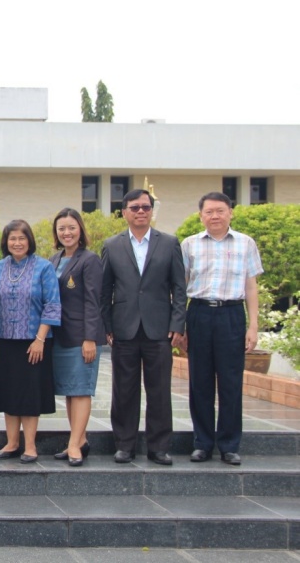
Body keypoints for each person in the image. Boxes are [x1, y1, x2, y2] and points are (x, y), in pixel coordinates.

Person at [101, 189, 186, 466]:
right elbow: (104, 291)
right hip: (123, 328)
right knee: (124, 390)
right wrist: (107, 326)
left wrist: (176, 324)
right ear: (124, 212)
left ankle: (158, 447)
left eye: (146, 207)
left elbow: (179, 288)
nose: (141, 212)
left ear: (152, 211)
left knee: (159, 390)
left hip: (159, 329)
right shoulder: (112, 245)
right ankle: (124, 445)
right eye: (135, 207)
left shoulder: (169, 243)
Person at [182, 192, 263, 466]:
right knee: (200, 382)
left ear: (230, 212)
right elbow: (180, 288)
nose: (214, 216)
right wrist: (180, 326)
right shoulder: (190, 244)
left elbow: (251, 286)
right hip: (199, 313)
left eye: (220, 210)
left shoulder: (245, 243)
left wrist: (253, 326)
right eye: (209, 212)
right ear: (201, 215)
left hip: (231, 314)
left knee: (230, 382)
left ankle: (229, 444)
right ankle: (202, 442)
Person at [0, 220, 60, 464]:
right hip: (3, 340)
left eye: (22, 238)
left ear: (30, 241)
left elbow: (52, 304)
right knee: (8, 393)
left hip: (34, 342)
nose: (17, 243)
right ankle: (11, 442)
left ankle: (30, 446)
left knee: (30, 395)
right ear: (6, 242)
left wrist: (40, 339)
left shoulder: (44, 267)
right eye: (12, 238)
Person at [48, 208, 106, 466]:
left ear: (80, 229)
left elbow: (94, 301)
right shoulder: (54, 258)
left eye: (71, 227)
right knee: (70, 391)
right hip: (59, 335)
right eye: (61, 228)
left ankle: (74, 445)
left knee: (82, 390)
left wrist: (90, 337)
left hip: (82, 336)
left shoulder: (90, 259)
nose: (66, 233)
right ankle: (79, 439)